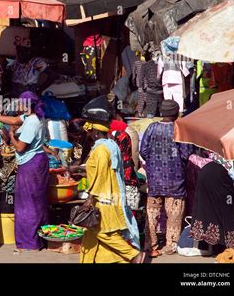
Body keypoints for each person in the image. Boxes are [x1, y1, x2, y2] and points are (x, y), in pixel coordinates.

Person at [69, 120, 144, 263]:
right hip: (108, 194)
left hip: (105, 197)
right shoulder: (110, 145)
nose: (89, 135)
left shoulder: (101, 149)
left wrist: (90, 198)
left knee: (104, 231)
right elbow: (100, 169)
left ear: (96, 132)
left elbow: (101, 174)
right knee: (91, 231)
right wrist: (78, 169)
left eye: (90, 132)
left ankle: (133, 254)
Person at [0, 91, 50, 252]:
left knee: (28, 203)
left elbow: (20, 147)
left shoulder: (32, 122)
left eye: (21, 102)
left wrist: (12, 136)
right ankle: (39, 239)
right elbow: (14, 119)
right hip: (37, 162)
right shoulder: (34, 117)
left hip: (31, 165)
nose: (19, 105)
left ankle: (30, 241)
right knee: (37, 201)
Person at [140, 100, 193, 257]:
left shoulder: (152, 128)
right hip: (175, 181)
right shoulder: (180, 129)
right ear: (176, 113)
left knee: (152, 214)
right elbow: (186, 153)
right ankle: (171, 245)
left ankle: (151, 245)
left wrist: (154, 162)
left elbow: (143, 151)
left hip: (155, 181)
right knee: (174, 215)